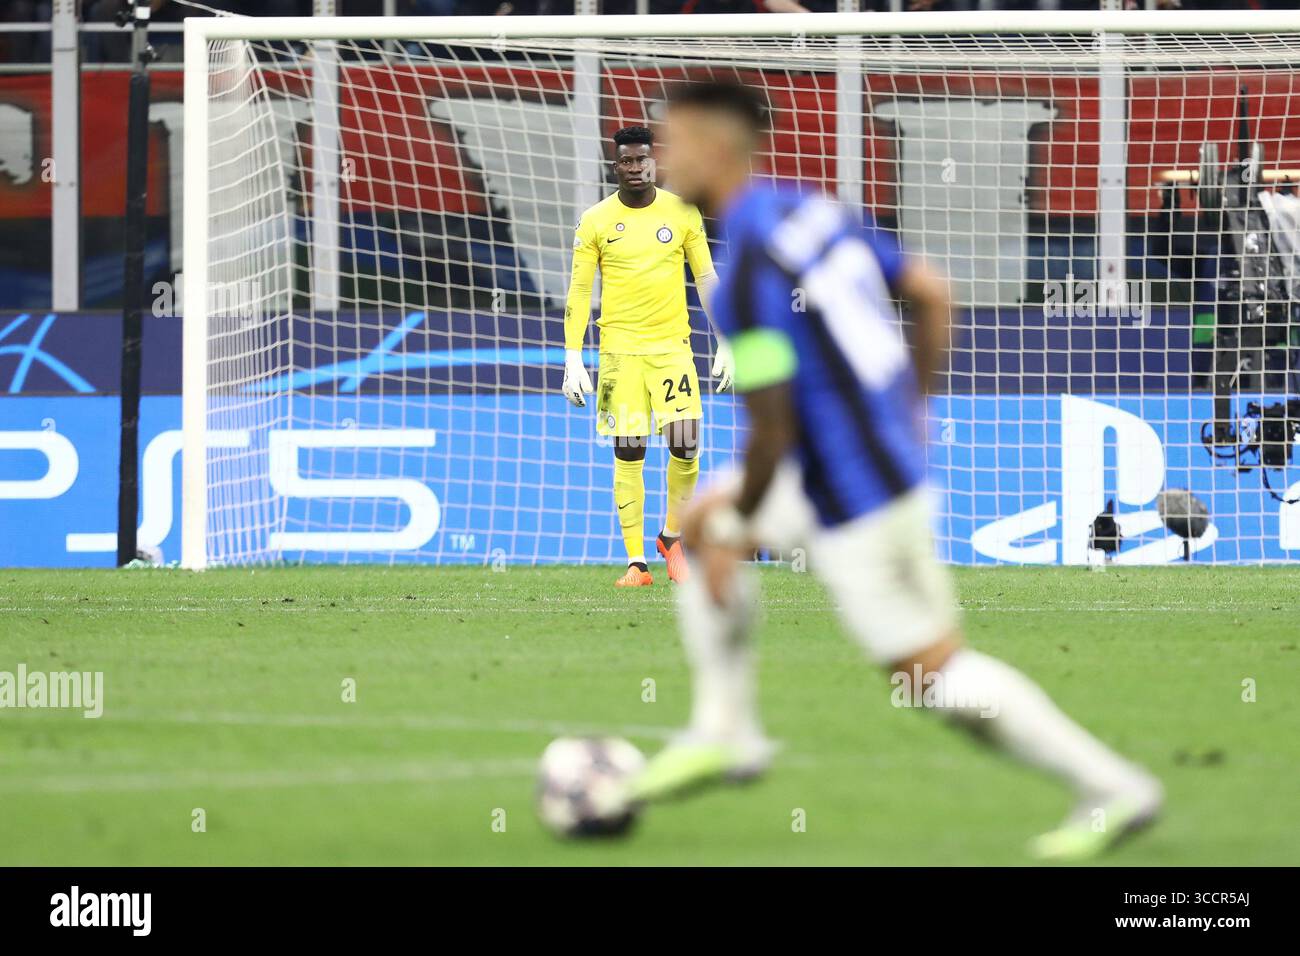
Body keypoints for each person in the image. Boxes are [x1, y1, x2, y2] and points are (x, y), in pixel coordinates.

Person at [630, 80, 1162, 861]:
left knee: (935, 678)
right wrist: (911, 409)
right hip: (850, 468)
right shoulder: (811, 211)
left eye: (670, 139)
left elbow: (771, 426)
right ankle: (724, 732)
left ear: (714, 146)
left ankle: (1115, 787)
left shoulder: (741, 269)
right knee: (709, 527)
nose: (660, 154)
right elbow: (930, 290)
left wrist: (745, 502)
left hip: (855, 495)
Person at [562, 125, 733, 588]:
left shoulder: (681, 213)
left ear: (653, 163)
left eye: (641, 160)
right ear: (614, 166)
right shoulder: (595, 220)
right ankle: (636, 563)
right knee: (630, 450)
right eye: (626, 161)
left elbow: (707, 278)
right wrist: (573, 358)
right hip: (619, 353)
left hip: (672, 348)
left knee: (686, 443)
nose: (634, 168)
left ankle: (672, 535)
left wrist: (726, 340)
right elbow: (579, 291)